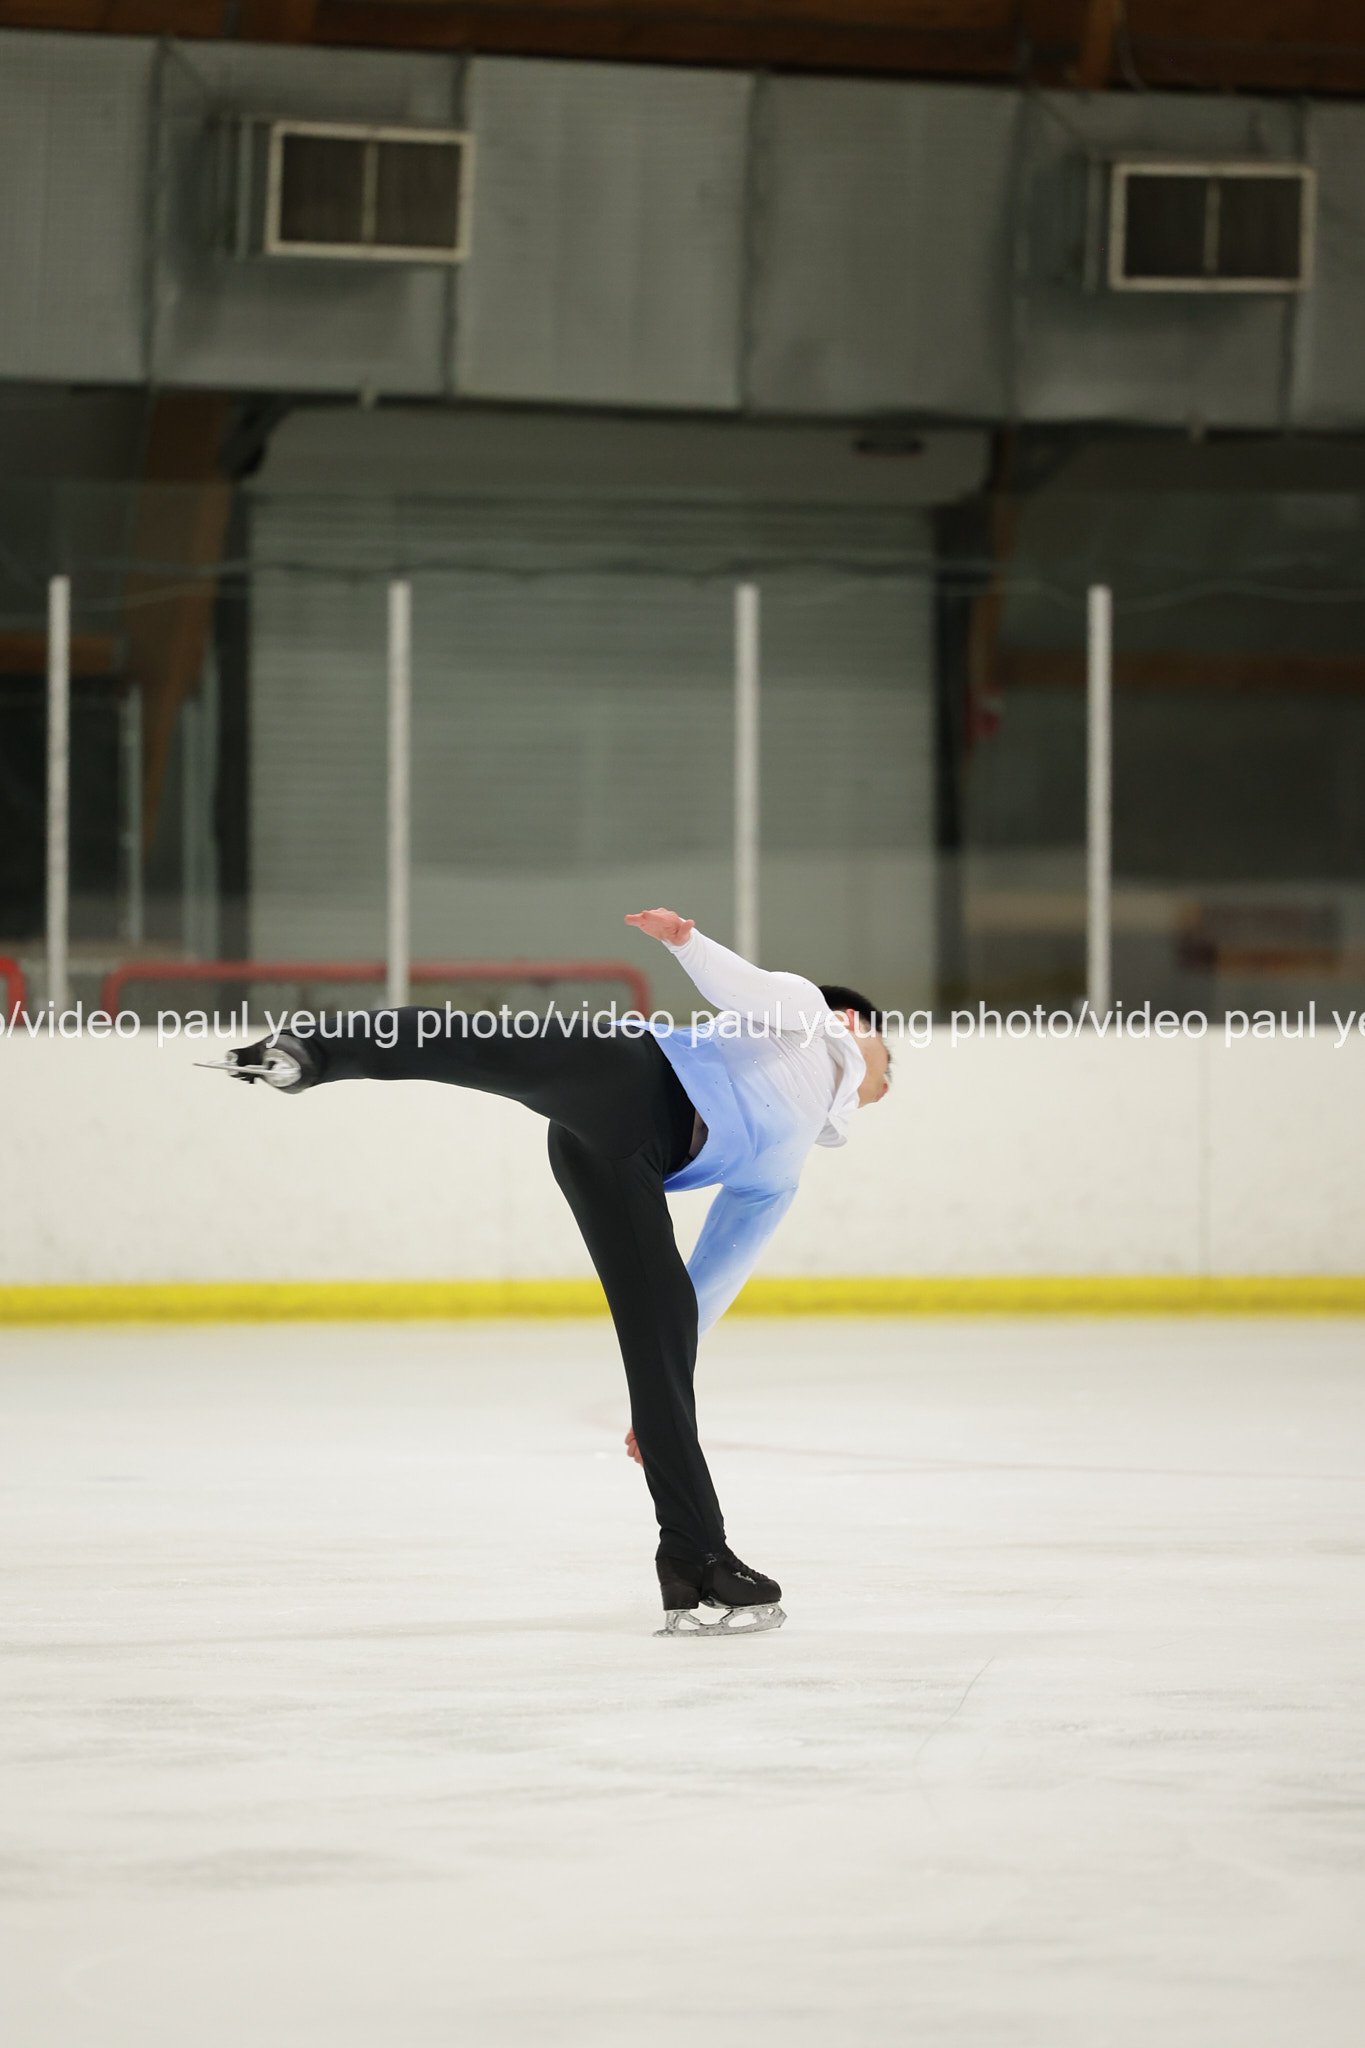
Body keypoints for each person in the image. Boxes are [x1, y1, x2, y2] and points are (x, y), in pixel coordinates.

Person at [209, 909, 892, 1637]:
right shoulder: (810, 1017)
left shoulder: (783, 1170)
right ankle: (308, 1051)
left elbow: (714, 1277)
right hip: (625, 1073)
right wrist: (687, 944)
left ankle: (696, 1557)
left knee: (660, 1335)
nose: (889, 1077)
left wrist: (662, 1389)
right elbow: (746, 988)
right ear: (853, 1021)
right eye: (891, 1055)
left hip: (618, 1163)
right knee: (485, 1046)